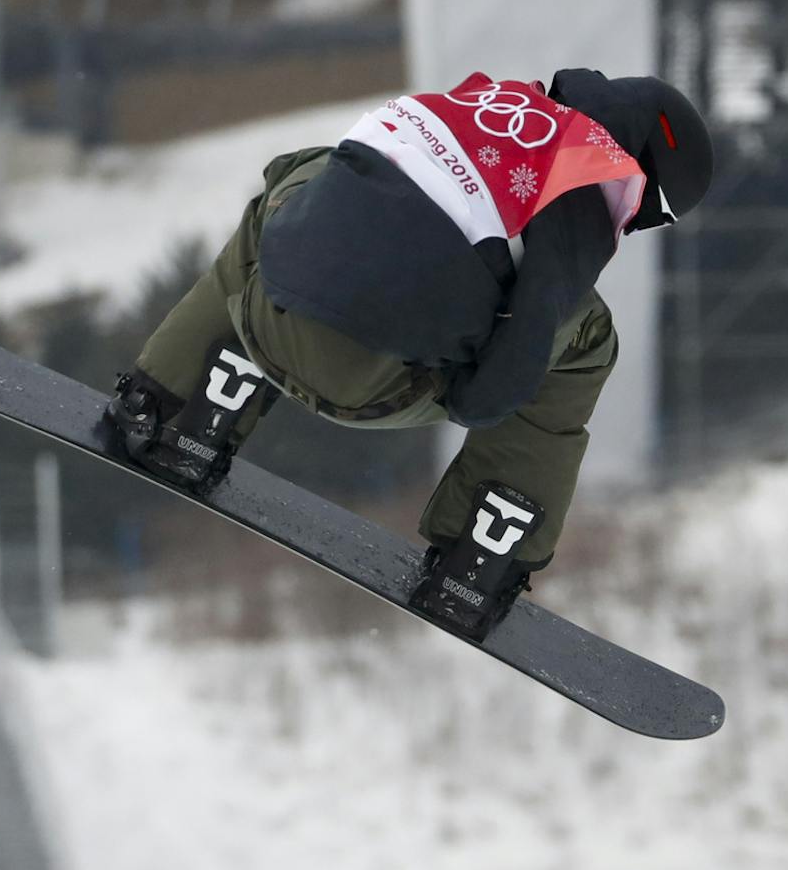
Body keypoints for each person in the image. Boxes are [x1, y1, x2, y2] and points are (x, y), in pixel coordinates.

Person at [104, 68, 714, 641]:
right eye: (652, 215)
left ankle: (171, 407)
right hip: (375, 382)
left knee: (296, 178)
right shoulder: (587, 181)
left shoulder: (495, 101)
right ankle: (477, 564)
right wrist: (472, 396)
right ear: (648, 177)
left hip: (267, 312)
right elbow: (523, 346)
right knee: (586, 336)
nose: (635, 224)